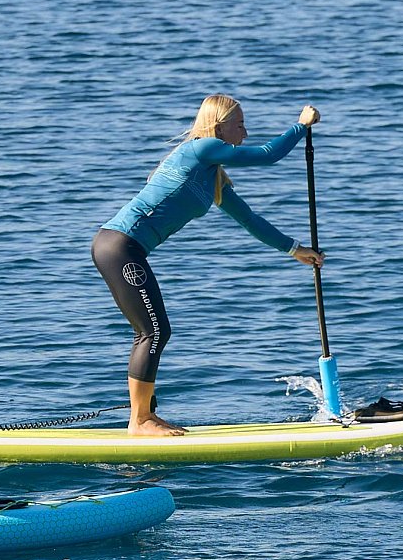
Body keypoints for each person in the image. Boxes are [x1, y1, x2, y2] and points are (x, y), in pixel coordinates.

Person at [92, 95, 323, 436]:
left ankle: (145, 416)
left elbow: (250, 220)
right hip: (119, 245)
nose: (245, 133)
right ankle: (140, 420)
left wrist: (295, 249)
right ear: (219, 125)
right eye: (240, 124)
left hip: (126, 249)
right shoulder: (200, 150)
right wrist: (300, 126)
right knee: (152, 332)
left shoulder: (212, 178)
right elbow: (267, 155)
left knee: (153, 331)